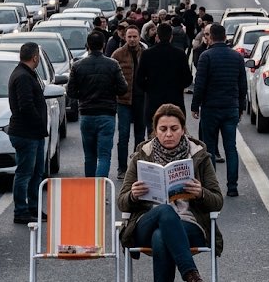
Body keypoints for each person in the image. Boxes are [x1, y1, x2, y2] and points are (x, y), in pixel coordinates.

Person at [118, 104, 223, 282]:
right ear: (155, 131)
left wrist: (201, 193)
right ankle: (191, 274)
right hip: (145, 222)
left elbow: (217, 201)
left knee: (161, 237)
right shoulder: (141, 156)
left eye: (174, 129)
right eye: (163, 129)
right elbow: (122, 201)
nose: (168, 134)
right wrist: (134, 195)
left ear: (183, 129)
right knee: (165, 211)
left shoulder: (199, 156)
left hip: (189, 225)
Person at [191, 23, 246, 197]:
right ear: (225, 37)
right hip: (230, 107)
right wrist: (241, 107)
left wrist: (195, 105)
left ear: (211, 38)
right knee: (231, 148)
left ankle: (211, 186)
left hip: (211, 108)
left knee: (209, 149)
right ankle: (232, 186)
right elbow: (242, 85)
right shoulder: (237, 57)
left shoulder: (206, 56)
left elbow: (200, 84)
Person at [67, 30, 128, 178]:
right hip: (106, 114)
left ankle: (90, 189)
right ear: (104, 44)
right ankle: (100, 188)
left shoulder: (77, 66)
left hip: (86, 113)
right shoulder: (112, 64)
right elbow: (123, 88)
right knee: (104, 155)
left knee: (89, 155)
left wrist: (83, 95)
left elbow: (70, 92)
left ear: (87, 45)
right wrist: (110, 92)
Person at [8, 43, 49, 225]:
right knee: (25, 173)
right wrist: (39, 122)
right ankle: (20, 210)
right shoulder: (22, 76)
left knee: (37, 172)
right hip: (26, 133)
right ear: (35, 57)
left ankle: (33, 207)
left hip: (34, 133)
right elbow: (26, 106)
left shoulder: (27, 73)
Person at [138, 24, 193, 135]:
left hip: (153, 102)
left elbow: (139, 79)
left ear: (157, 36)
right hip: (175, 101)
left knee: (153, 134)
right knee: (174, 134)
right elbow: (188, 79)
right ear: (171, 37)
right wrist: (178, 87)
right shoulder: (180, 54)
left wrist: (150, 88)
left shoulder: (147, 54)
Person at [112, 26, 146, 180]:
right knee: (123, 135)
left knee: (140, 135)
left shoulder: (145, 53)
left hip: (141, 99)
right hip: (123, 100)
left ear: (139, 37)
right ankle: (122, 168)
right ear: (125, 37)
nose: (132, 39)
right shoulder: (118, 54)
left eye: (135, 36)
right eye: (129, 36)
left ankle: (137, 167)